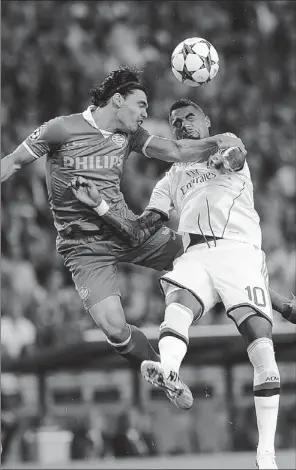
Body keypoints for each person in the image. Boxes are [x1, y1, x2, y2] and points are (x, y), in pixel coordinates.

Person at [69, 99, 295, 470]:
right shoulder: (171, 178)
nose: (182, 126)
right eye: (175, 123)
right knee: (178, 299)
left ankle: (265, 455)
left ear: (205, 121)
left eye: (189, 118)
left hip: (239, 253)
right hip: (194, 254)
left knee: (262, 353)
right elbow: (140, 230)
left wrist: (225, 160)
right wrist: (100, 208)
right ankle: (169, 370)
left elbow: (237, 155)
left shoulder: (224, 144)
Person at [1, 67, 244, 375]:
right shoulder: (60, 129)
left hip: (127, 231)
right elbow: (12, 163)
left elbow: (175, 150)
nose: (145, 113)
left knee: (206, 253)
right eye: (141, 105)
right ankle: (162, 371)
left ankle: (279, 303)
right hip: (84, 248)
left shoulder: (129, 135)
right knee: (115, 329)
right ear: (118, 100)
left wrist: (219, 141)